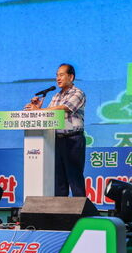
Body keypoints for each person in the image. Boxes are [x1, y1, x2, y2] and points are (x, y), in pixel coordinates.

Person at [24, 63, 86, 197]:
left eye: (61, 75)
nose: (58, 78)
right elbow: (49, 114)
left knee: (75, 178)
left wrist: (39, 110)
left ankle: (81, 208)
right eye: (57, 75)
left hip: (73, 139)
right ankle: (60, 208)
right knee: (59, 180)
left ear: (71, 77)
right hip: (56, 140)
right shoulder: (56, 96)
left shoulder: (78, 93)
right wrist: (37, 108)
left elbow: (64, 108)